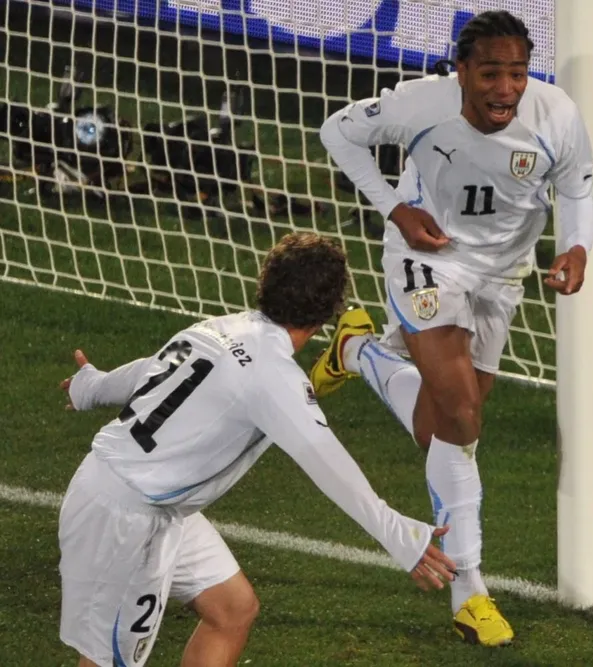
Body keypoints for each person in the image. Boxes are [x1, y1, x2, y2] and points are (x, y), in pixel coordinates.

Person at [312, 10, 593, 647]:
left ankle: (358, 351)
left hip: (502, 276)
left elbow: (578, 188)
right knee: (464, 418)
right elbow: (338, 132)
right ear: (462, 69)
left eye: (518, 73)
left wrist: (575, 247)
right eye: (491, 73)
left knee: (438, 429)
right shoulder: (420, 105)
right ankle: (470, 590)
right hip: (427, 260)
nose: (505, 89)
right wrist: (396, 207)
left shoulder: (554, 115)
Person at [57, 232, 455, 667]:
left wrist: (91, 387)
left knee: (232, 609)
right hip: (128, 521)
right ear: (328, 311)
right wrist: (401, 537)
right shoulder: (274, 376)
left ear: (266, 281)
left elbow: (150, 371)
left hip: (139, 498)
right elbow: (329, 465)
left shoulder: (220, 327)